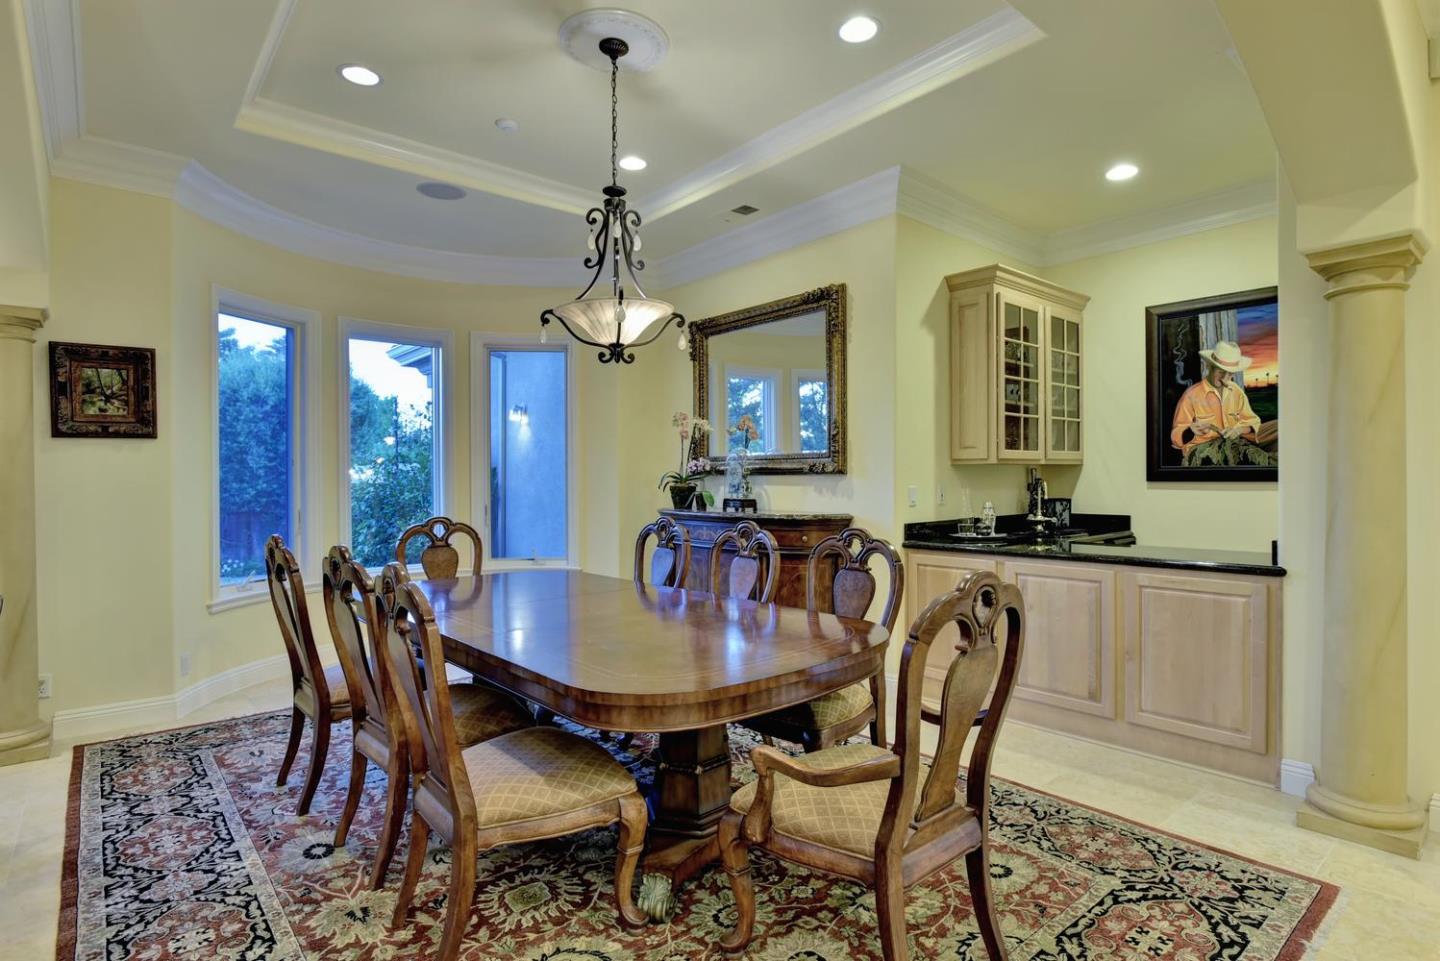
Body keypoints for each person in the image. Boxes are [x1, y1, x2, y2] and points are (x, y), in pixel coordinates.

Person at [1169, 340, 1274, 466]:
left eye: (1230, 374)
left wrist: (1238, 430)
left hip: (1235, 443)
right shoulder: (1191, 395)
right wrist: (1190, 430)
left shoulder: (1236, 391)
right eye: (1220, 372)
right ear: (1209, 367)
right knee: (1255, 458)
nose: (1225, 379)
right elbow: (1176, 438)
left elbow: (1253, 421)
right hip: (1203, 451)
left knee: (1279, 427)